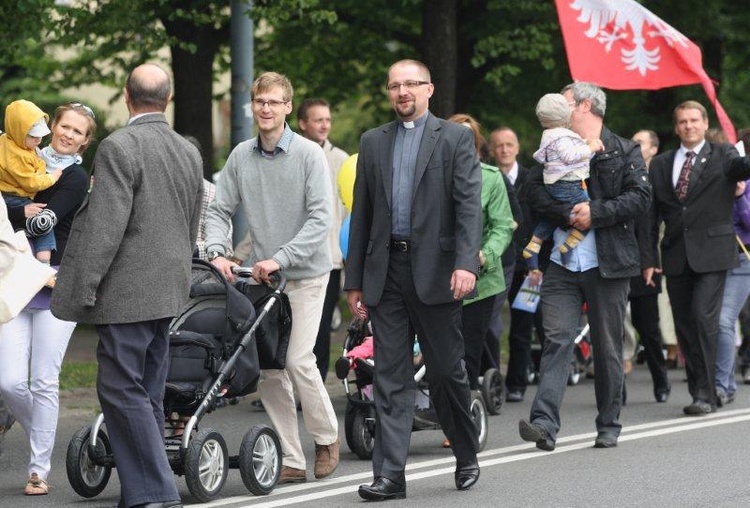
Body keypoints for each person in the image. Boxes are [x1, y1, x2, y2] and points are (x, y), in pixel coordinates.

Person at [51, 64, 203, 508]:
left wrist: (83, 288)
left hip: (127, 293)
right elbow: (191, 223)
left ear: (126, 96)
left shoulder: (119, 146)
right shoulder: (187, 150)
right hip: (169, 289)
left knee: (121, 391)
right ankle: (141, 492)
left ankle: (156, 491)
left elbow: (105, 227)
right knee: (146, 394)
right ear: (168, 99)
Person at [345, 59, 483, 501]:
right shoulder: (372, 142)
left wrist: (466, 263)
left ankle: (465, 452)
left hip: (439, 274)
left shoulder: (455, 138)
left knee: (445, 372)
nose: (403, 91)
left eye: (411, 84)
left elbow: (467, 206)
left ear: (429, 89)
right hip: (387, 274)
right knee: (389, 376)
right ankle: (390, 476)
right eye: (395, 85)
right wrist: (355, 282)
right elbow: (361, 216)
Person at [204, 71, 340, 485]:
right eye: (259, 101)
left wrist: (280, 257)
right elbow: (218, 209)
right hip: (263, 280)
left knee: (299, 359)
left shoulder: (308, 155)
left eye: (274, 102)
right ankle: (293, 458)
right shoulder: (241, 156)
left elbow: (322, 218)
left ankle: (326, 437)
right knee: (270, 370)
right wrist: (216, 252)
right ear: (253, 107)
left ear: (286, 109)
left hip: (306, 275)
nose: (265, 109)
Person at [518, 82, 650, 451]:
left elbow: (640, 198)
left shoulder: (624, 149)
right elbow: (531, 191)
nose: (557, 110)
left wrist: (596, 213)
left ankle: (608, 423)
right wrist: (566, 213)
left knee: (608, 346)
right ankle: (544, 423)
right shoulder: (551, 144)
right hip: (561, 263)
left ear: (585, 106)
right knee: (557, 340)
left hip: (608, 264)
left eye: (565, 103)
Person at [0, 102, 96, 495]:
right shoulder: (19, 159)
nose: (68, 134)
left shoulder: (73, 178)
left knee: (43, 379)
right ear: (51, 126)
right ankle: (31, 423)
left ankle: (39, 468)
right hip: (16, 279)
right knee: (8, 381)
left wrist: (14, 210)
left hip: (57, 281)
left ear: (85, 141)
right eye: (64, 126)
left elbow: (44, 221)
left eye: (78, 131)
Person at [642, 101, 750, 415]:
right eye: (683, 122)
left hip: (714, 254)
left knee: (705, 317)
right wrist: (648, 259)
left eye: (694, 120)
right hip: (675, 254)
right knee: (685, 325)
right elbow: (651, 216)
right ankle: (701, 391)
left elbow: (742, 168)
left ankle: (707, 391)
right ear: (676, 127)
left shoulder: (724, 154)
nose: (689, 126)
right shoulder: (661, 164)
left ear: (704, 124)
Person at [446, 113, 513, 400]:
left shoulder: (491, 178)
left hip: (480, 282)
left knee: (469, 349)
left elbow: (502, 226)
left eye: (467, 138)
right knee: (442, 350)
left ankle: (464, 410)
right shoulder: (430, 175)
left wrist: (485, 255)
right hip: (437, 278)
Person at [489, 126, 546, 403]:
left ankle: (517, 383)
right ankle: (489, 381)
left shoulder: (532, 178)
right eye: (499, 145)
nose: (504, 149)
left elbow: (538, 219)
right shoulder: (486, 178)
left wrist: (536, 260)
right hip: (494, 264)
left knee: (523, 327)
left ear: (518, 147)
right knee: (489, 325)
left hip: (528, 266)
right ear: (491, 149)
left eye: (509, 144)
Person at [297, 98, 349, 382]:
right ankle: (289, 385)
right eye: (318, 120)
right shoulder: (292, 156)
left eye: (327, 119)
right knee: (292, 327)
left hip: (328, 258)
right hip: (293, 258)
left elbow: (346, 211)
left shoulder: (340, 159)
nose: (324, 125)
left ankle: (314, 385)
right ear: (303, 124)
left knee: (320, 325)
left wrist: (346, 255)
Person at [522, 93, 603, 271]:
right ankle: (568, 247)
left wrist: (584, 143)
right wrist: (591, 147)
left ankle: (534, 244)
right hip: (569, 184)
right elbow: (570, 155)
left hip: (554, 185)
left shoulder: (550, 134)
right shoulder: (562, 136)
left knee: (551, 218)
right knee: (590, 214)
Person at [624, 129, 671, 402]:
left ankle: (661, 379)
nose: (634, 146)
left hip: (646, 261)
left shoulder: (659, 179)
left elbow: (653, 227)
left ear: (653, 149)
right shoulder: (621, 173)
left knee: (648, 327)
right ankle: (615, 389)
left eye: (639, 142)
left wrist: (651, 261)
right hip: (618, 259)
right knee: (613, 326)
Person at [0, 100, 63, 264]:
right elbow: (31, 183)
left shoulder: (8, 141)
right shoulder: (18, 158)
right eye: (34, 136)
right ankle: (44, 263)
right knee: (43, 223)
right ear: (19, 132)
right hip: (14, 198)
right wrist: (53, 177)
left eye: (41, 135)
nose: (39, 140)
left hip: (10, 198)